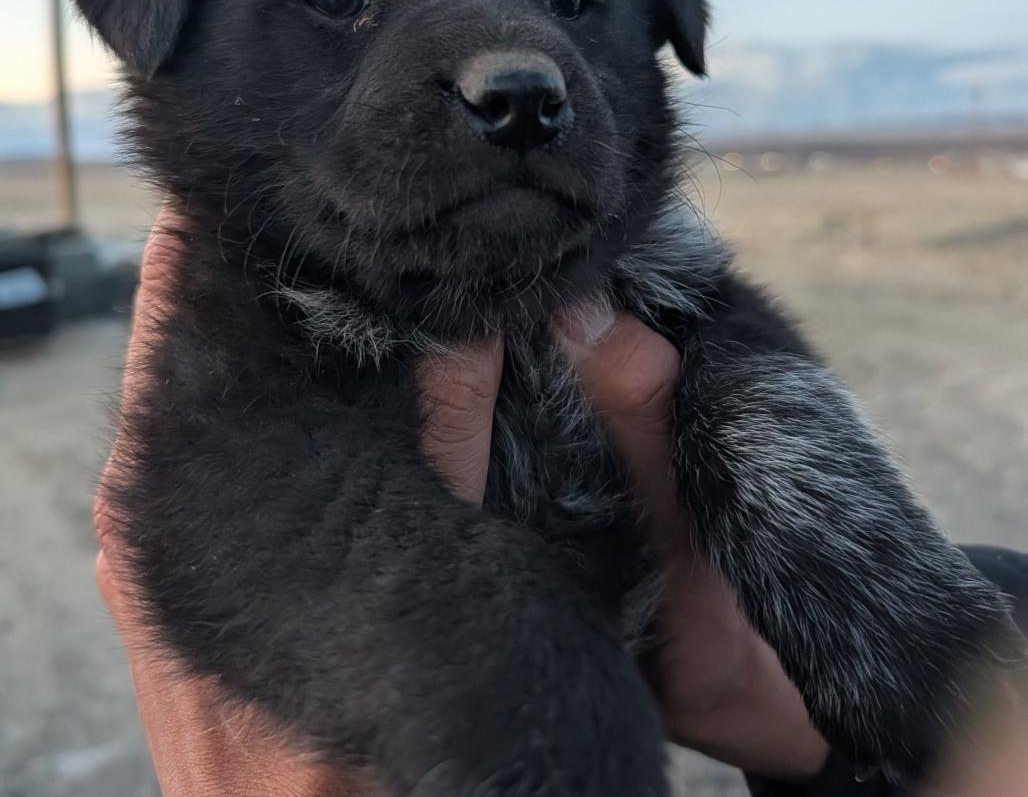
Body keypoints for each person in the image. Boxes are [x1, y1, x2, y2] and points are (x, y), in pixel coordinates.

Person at [95, 212, 1028, 797]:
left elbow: (722, 337)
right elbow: (233, 478)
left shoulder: (626, 226)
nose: (512, 64)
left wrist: (870, 618)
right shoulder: (255, 259)